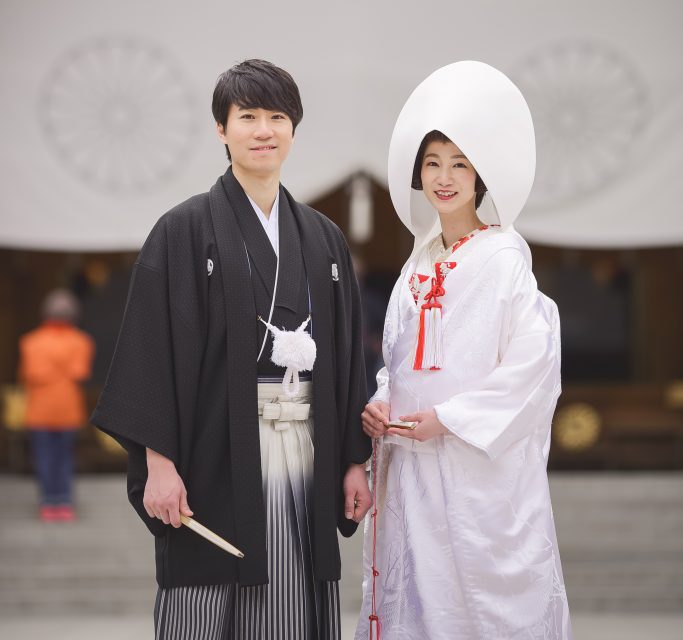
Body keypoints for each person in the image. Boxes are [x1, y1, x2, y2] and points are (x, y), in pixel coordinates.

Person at [92, 58, 372, 640]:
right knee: (205, 597)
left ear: (294, 129)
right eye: (247, 117)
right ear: (222, 129)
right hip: (214, 453)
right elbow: (150, 353)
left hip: (308, 450)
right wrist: (157, 465)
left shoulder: (323, 239)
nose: (263, 130)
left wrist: (352, 460)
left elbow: (347, 357)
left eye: (277, 117)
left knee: (297, 593)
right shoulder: (182, 231)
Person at [356, 61, 572, 640]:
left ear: (480, 176)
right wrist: (381, 403)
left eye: (459, 164)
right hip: (413, 467)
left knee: (476, 602)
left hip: (475, 471)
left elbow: (534, 367)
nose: (444, 177)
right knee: (418, 602)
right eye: (432, 164)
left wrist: (449, 420)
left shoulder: (503, 258)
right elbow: (397, 361)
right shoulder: (414, 267)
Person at [18, 288, 95, 521]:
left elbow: (28, 374)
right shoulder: (82, 341)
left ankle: (48, 502)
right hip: (68, 410)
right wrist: (62, 370)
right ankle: (64, 502)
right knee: (65, 457)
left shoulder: (30, 342)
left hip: (39, 411)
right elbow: (80, 372)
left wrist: (49, 371)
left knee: (44, 457)